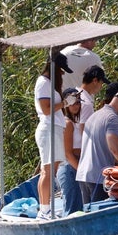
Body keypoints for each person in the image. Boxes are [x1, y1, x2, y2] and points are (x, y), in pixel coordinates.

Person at [76, 90, 118, 203]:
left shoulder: (95, 115)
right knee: (99, 216)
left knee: (88, 215)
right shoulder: (114, 119)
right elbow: (115, 149)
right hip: (98, 177)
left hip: (83, 175)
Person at [34, 52, 74, 220]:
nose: (63, 74)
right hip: (48, 129)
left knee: (51, 170)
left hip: (54, 129)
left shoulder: (49, 84)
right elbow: (45, 108)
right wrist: (65, 103)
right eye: (62, 70)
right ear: (55, 67)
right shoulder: (43, 83)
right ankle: (44, 211)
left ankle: (45, 208)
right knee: (48, 170)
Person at [56, 88, 83, 216]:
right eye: (72, 102)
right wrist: (81, 171)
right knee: (72, 210)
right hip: (69, 168)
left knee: (78, 208)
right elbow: (68, 153)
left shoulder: (74, 122)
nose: (76, 105)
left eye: (78, 102)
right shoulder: (67, 123)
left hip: (74, 167)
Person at [78, 65, 110, 134]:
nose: (101, 87)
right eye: (101, 83)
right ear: (95, 81)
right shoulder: (86, 103)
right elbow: (84, 132)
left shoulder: (73, 93)